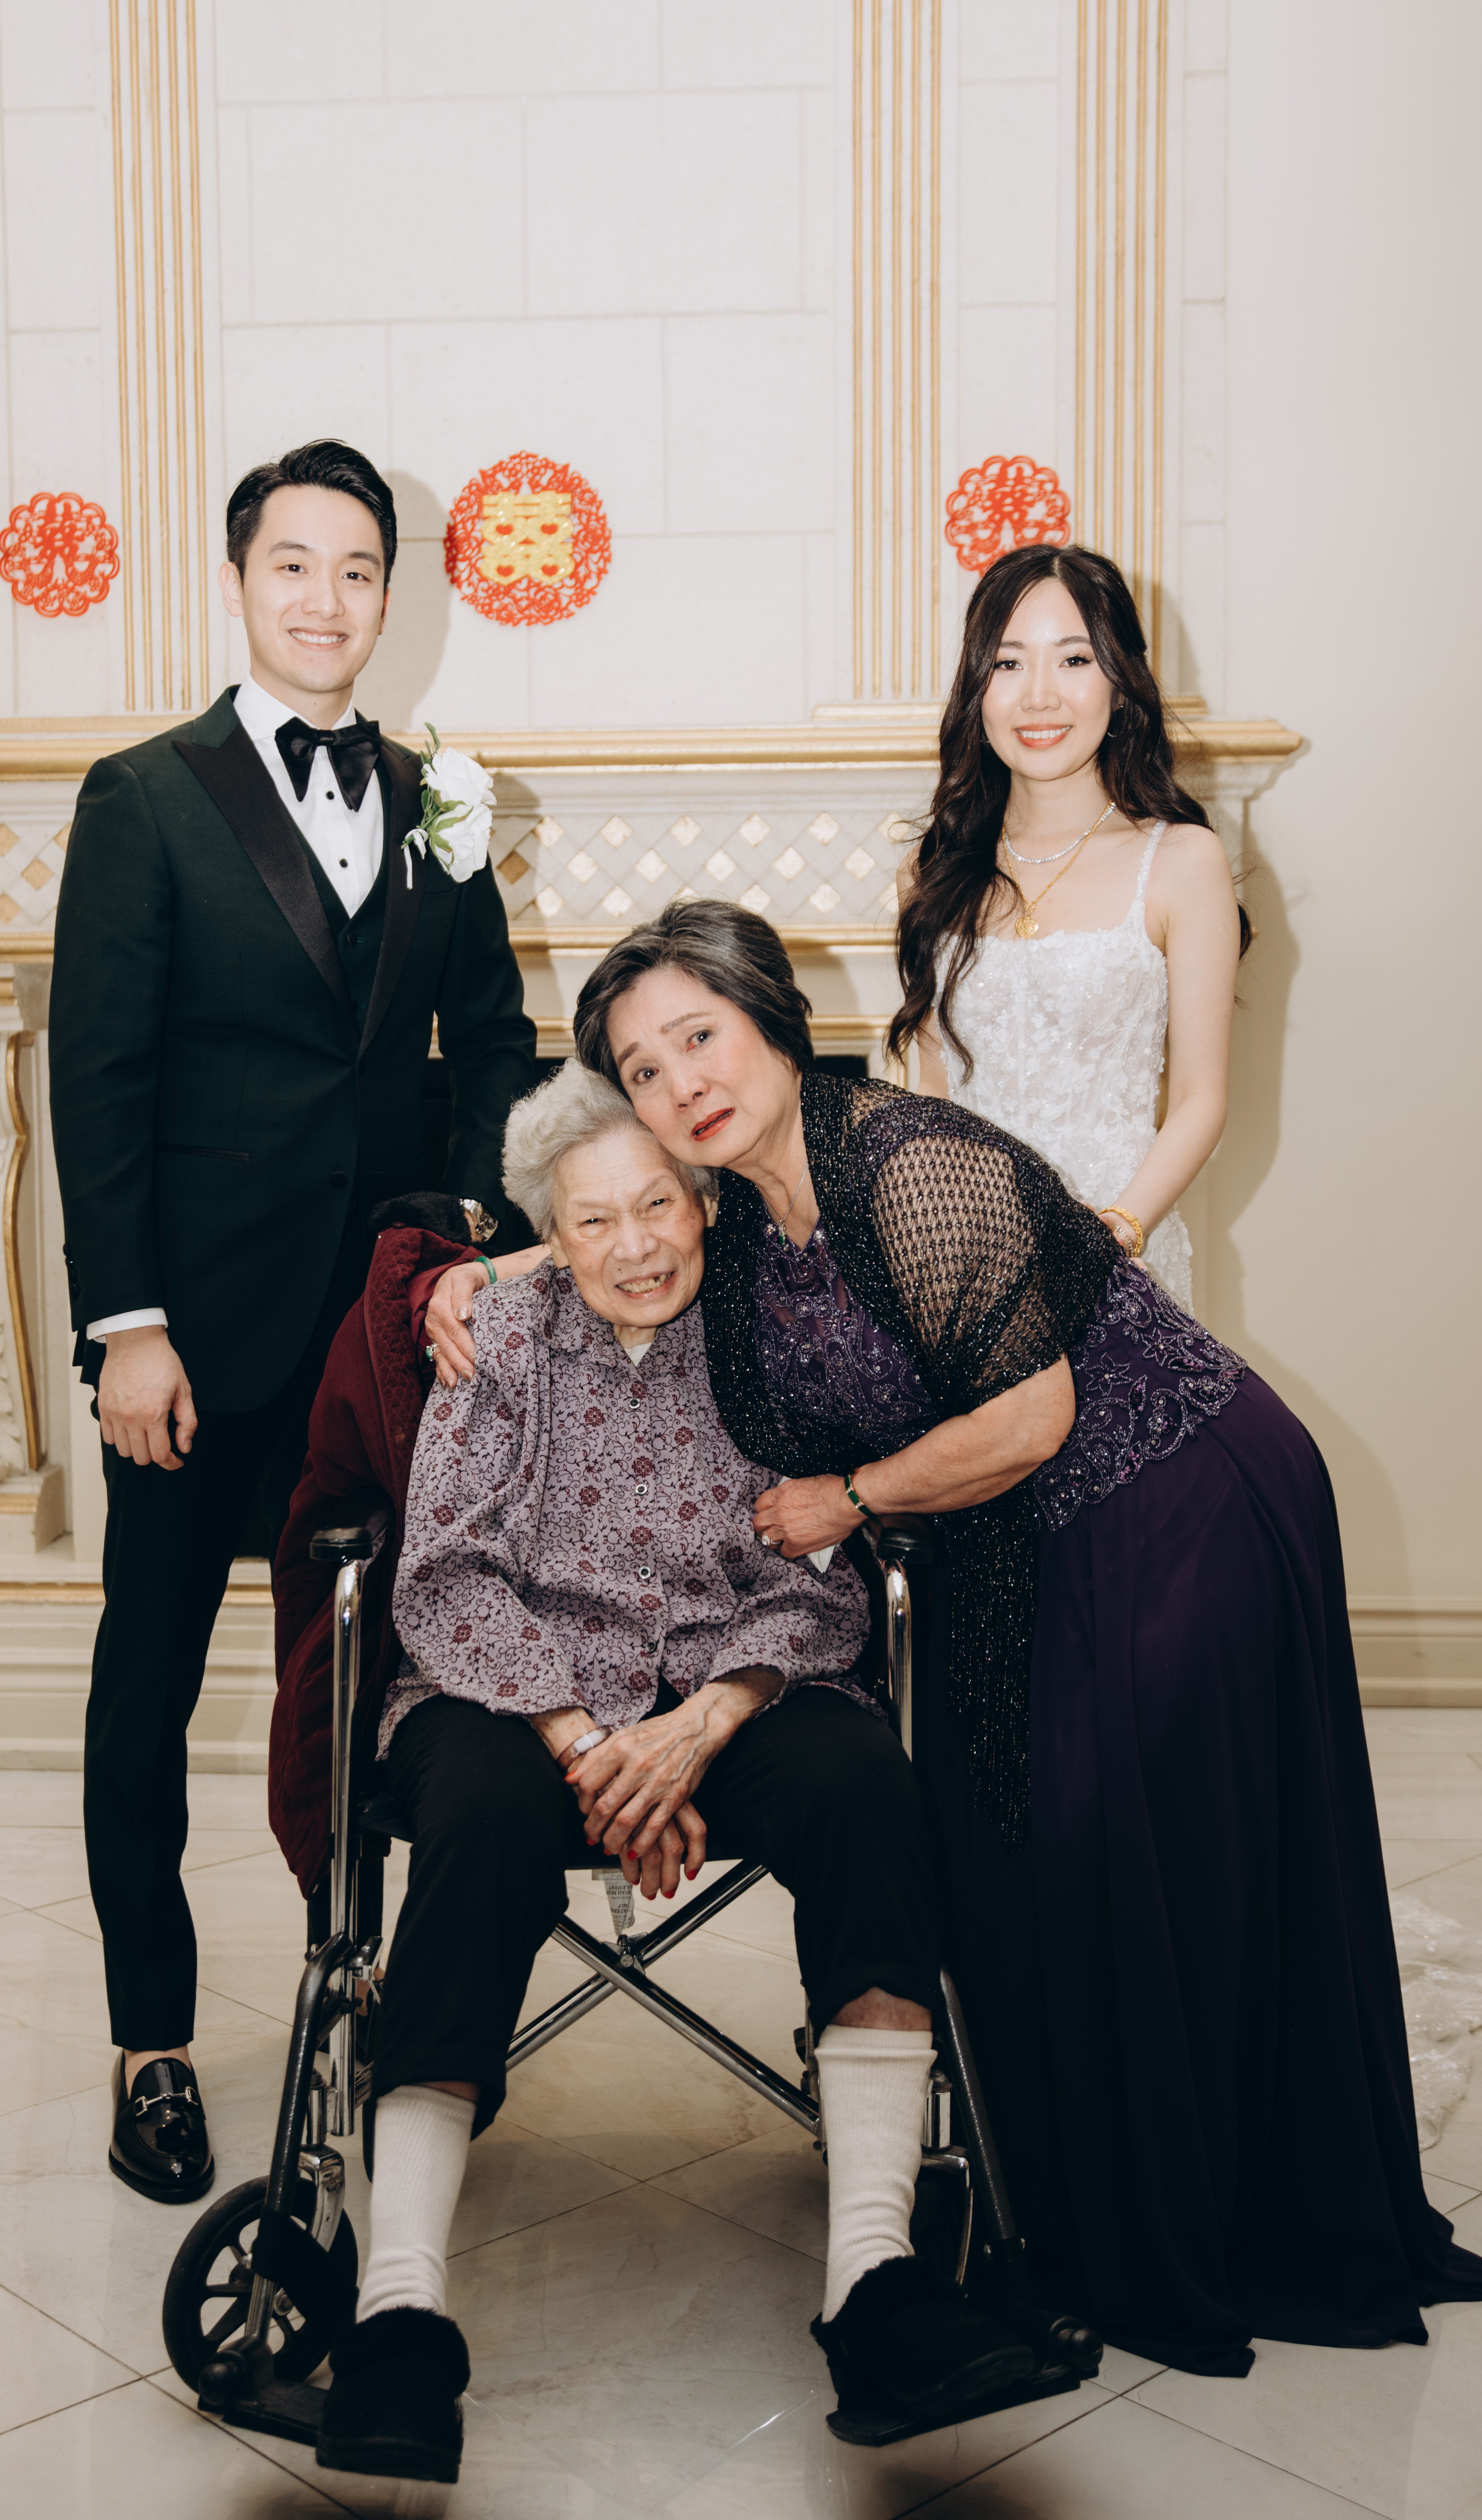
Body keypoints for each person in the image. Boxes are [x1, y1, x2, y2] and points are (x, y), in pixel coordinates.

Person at [429, 900, 1482, 2378]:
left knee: (1142, 1856)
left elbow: (1032, 1417)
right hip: (1016, 1536)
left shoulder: (906, 1164)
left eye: (699, 1037)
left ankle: (1213, 2224)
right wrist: (469, 1275)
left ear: (771, 1020)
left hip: (1164, 1494)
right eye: (644, 1070)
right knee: (1007, 1859)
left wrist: (843, 1500)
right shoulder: (746, 1206)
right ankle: (1076, 2212)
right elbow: (614, 1243)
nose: (681, 1084)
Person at [316, 1064, 1039, 2487]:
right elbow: (445, 1571)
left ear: (704, 1201)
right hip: (513, 1692)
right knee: (478, 1820)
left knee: (862, 1788)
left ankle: (876, 2278)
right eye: (594, 1220)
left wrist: (700, 1724)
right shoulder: (496, 1334)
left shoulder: (772, 1335)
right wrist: (589, 1744)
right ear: (548, 1236)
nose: (636, 1245)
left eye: (658, 1204)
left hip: (732, 1677)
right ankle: (397, 2306)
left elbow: (817, 1571)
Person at [48, 437, 536, 2202]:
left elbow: (495, 1040)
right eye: (292, 565)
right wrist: (129, 1324)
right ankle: (151, 2040)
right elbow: (99, 1079)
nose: (326, 600)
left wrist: (466, 1226)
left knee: (373, 1682)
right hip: (195, 1341)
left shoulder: (438, 796)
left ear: (390, 596)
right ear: (237, 581)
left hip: (390, 1341)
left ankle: (366, 1991)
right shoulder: (143, 795)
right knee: (150, 1682)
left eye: (357, 570)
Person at [894, 541, 1246, 1309]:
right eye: (1007, 663)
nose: (1038, 696)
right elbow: (933, 1089)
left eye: (1074, 659)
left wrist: (1115, 1231)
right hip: (974, 1266)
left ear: (1119, 684)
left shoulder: (1182, 861)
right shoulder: (931, 873)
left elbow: (1199, 1098)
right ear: (977, 688)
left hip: (1121, 1254)